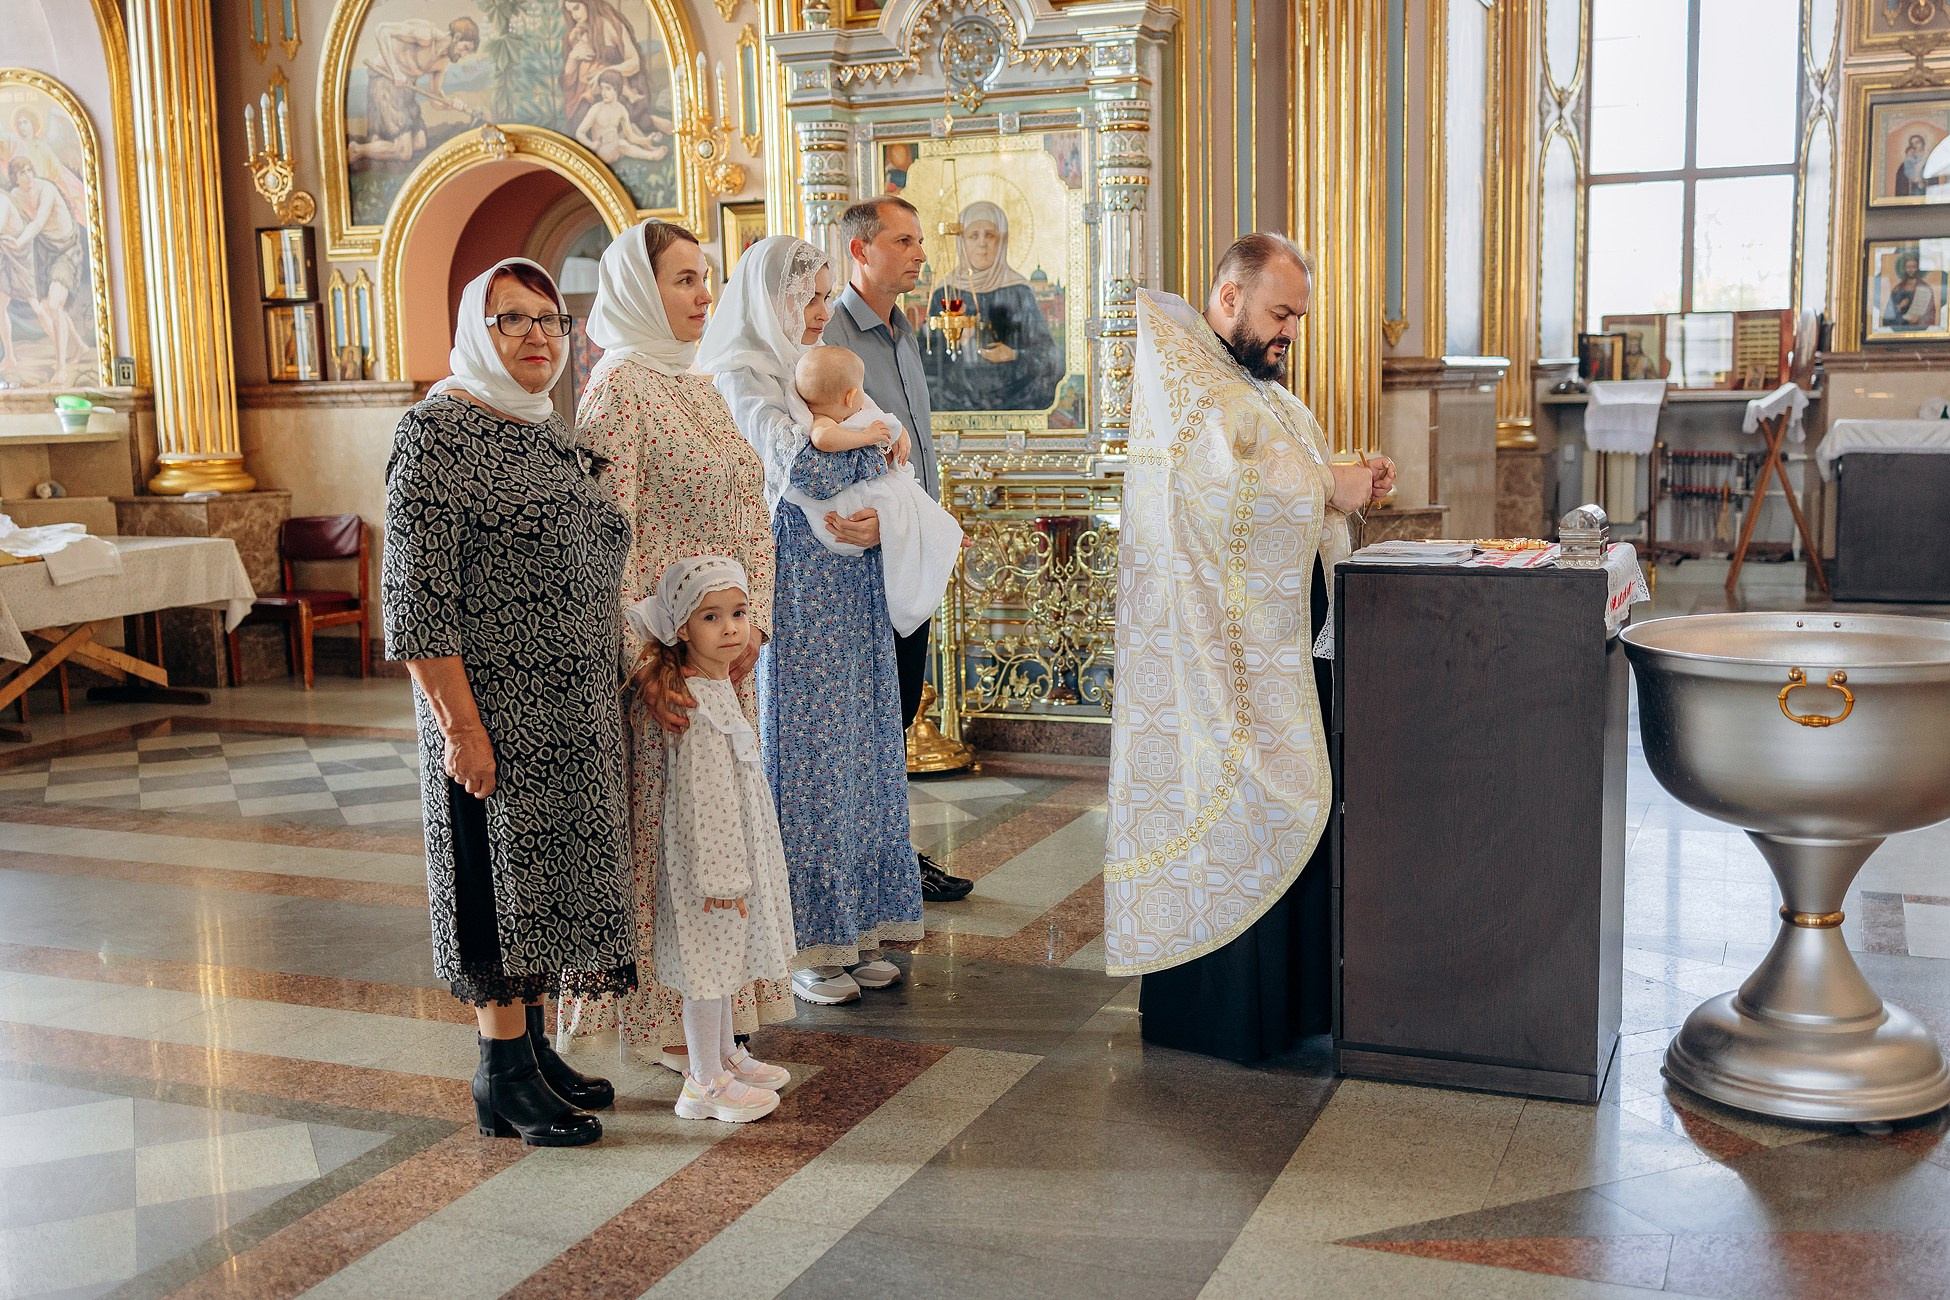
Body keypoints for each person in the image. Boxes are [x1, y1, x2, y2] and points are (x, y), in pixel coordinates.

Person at [1103, 233, 1395, 1063]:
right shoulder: (1186, 379)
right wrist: (1323, 486)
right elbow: (1218, 494)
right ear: (1229, 299)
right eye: (1279, 313)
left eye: (1297, 316)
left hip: (1279, 640)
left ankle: (1298, 1004)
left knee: (1298, 805)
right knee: (1245, 803)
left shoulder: (1249, 385)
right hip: (1217, 661)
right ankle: (1228, 1017)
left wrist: (1345, 476)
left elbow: (1282, 471)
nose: (1289, 332)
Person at [382, 256, 635, 1145]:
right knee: (497, 882)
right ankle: (500, 1076)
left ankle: (530, 1048)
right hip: (490, 712)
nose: (537, 336)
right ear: (473, 332)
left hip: (571, 711)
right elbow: (417, 600)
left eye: (549, 320)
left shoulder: (542, 428)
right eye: (511, 319)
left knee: (550, 884)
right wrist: (459, 725)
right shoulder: (437, 432)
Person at [559, 219, 796, 1069]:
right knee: (681, 852)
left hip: (726, 659)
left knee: (730, 848)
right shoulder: (618, 390)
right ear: (637, 290)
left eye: (708, 278)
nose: (705, 295)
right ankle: (668, 1030)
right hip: (667, 672)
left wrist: (752, 622)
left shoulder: (698, 381)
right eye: (685, 280)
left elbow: (751, 511)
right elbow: (598, 540)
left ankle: (721, 1028)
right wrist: (645, 659)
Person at [700, 234, 925, 1005]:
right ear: (769, 299)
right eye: (808, 298)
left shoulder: (814, 369)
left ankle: (857, 929)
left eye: (826, 297)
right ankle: (806, 944)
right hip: (793, 587)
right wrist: (873, 454)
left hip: (852, 588)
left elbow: (900, 454)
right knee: (807, 756)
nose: (820, 312)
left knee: (863, 747)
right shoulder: (742, 375)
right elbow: (803, 465)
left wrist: (884, 510)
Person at [821, 196, 975, 904]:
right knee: (869, 721)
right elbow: (813, 450)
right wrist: (866, 518)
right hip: (857, 564)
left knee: (901, 708)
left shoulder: (905, 329)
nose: (920, 253)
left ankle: (891, 858)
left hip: (909, 549)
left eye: (919, 240)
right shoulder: (827, 333)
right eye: (904, 240)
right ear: (861, 249)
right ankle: (872, 863)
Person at [628, 556, 797, 1122]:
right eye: (711, 617)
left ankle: (726, 1054)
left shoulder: (720, 684)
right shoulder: (696, 702)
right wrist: (722, 877)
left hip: (733, 852)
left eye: (739, 613)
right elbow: (703, 801)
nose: (731, 628)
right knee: (706, 964)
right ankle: (702, 1082)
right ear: (681, 629)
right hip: (709, 865)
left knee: (725, 958)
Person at [786, 345, 964, 638]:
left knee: (903, 494)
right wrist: (864, 436)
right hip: (850, 509)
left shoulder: (845, 413)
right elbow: (822, 438)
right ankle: (940, 532)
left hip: (864, 500)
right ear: (851, 397)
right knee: (897, 498)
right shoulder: (825, 422)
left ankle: (941, 530)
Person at [922, 200, 1063, 412]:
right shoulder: (946, 293)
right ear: (961, 242)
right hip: (954, 403)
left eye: (990, 235)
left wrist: (1014, 355)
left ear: (1001, 241)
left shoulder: (1019, 291)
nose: (982, 243)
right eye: (973, 236)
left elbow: (1050, 358)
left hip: (1016, 400)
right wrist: (956, 342)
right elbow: (924, 361)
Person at [349, 17, 481, 163]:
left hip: (406, 90)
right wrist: (395, 71)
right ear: (456, 37)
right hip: (385, 81)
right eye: (465, 48)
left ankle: (378, 144)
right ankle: (357, 150)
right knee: (404, 152)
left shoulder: (442, 64)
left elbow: (435, 100)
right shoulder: (426, 34)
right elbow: (382, 29)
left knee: (419, 142)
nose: (463, 55)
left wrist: (450, 104)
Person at [575, 70, 669, 164]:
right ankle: (651, 156)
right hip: (601, 152)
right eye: (602, 88)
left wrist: (646, 139)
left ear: (616, 89)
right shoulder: (596, 109)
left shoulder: (621, 109)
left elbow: (631, 136)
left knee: (632, 128)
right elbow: (579, 132)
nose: (603, 93)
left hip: (614, 147)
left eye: (608, 89)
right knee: (621, 144)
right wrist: (590, 144)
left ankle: (649, 147)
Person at [1884, 250, 1939, 332]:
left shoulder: (1925, 288)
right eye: (1908, 267)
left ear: (1918, 268)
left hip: (1919, 330)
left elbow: (1931, 314)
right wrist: (1899, 307)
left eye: (1914, 267)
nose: (1911, 270)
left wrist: (1920, 319)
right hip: (1900, 330)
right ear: (1904, 268)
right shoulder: (1898, 289)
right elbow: (1888, 316)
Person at [1896, 132, 1930, 198]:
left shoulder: (1930, 159)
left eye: (1917, 142)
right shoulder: (1907, 162)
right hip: (1914, 192)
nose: (1915, 145)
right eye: (1912, 144)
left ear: (1923, 143)